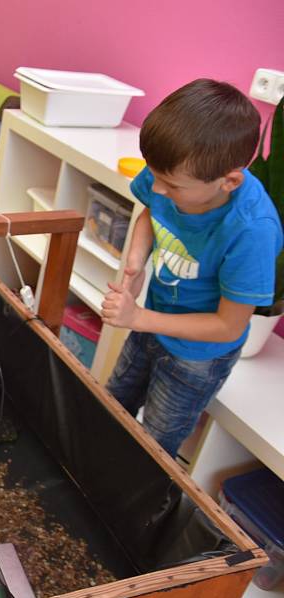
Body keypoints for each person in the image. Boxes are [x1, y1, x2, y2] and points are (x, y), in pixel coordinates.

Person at [101, 79, 283, 457]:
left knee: (154, 445)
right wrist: (136, 259)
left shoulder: (251, 230)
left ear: (229, 181)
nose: (159, 188)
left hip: (197, 357)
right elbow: (151, 212)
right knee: (111, 405)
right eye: (156, 176)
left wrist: (139, 318)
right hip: (150, 323)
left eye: (172, 185)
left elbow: (229, 325)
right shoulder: (170, 173)